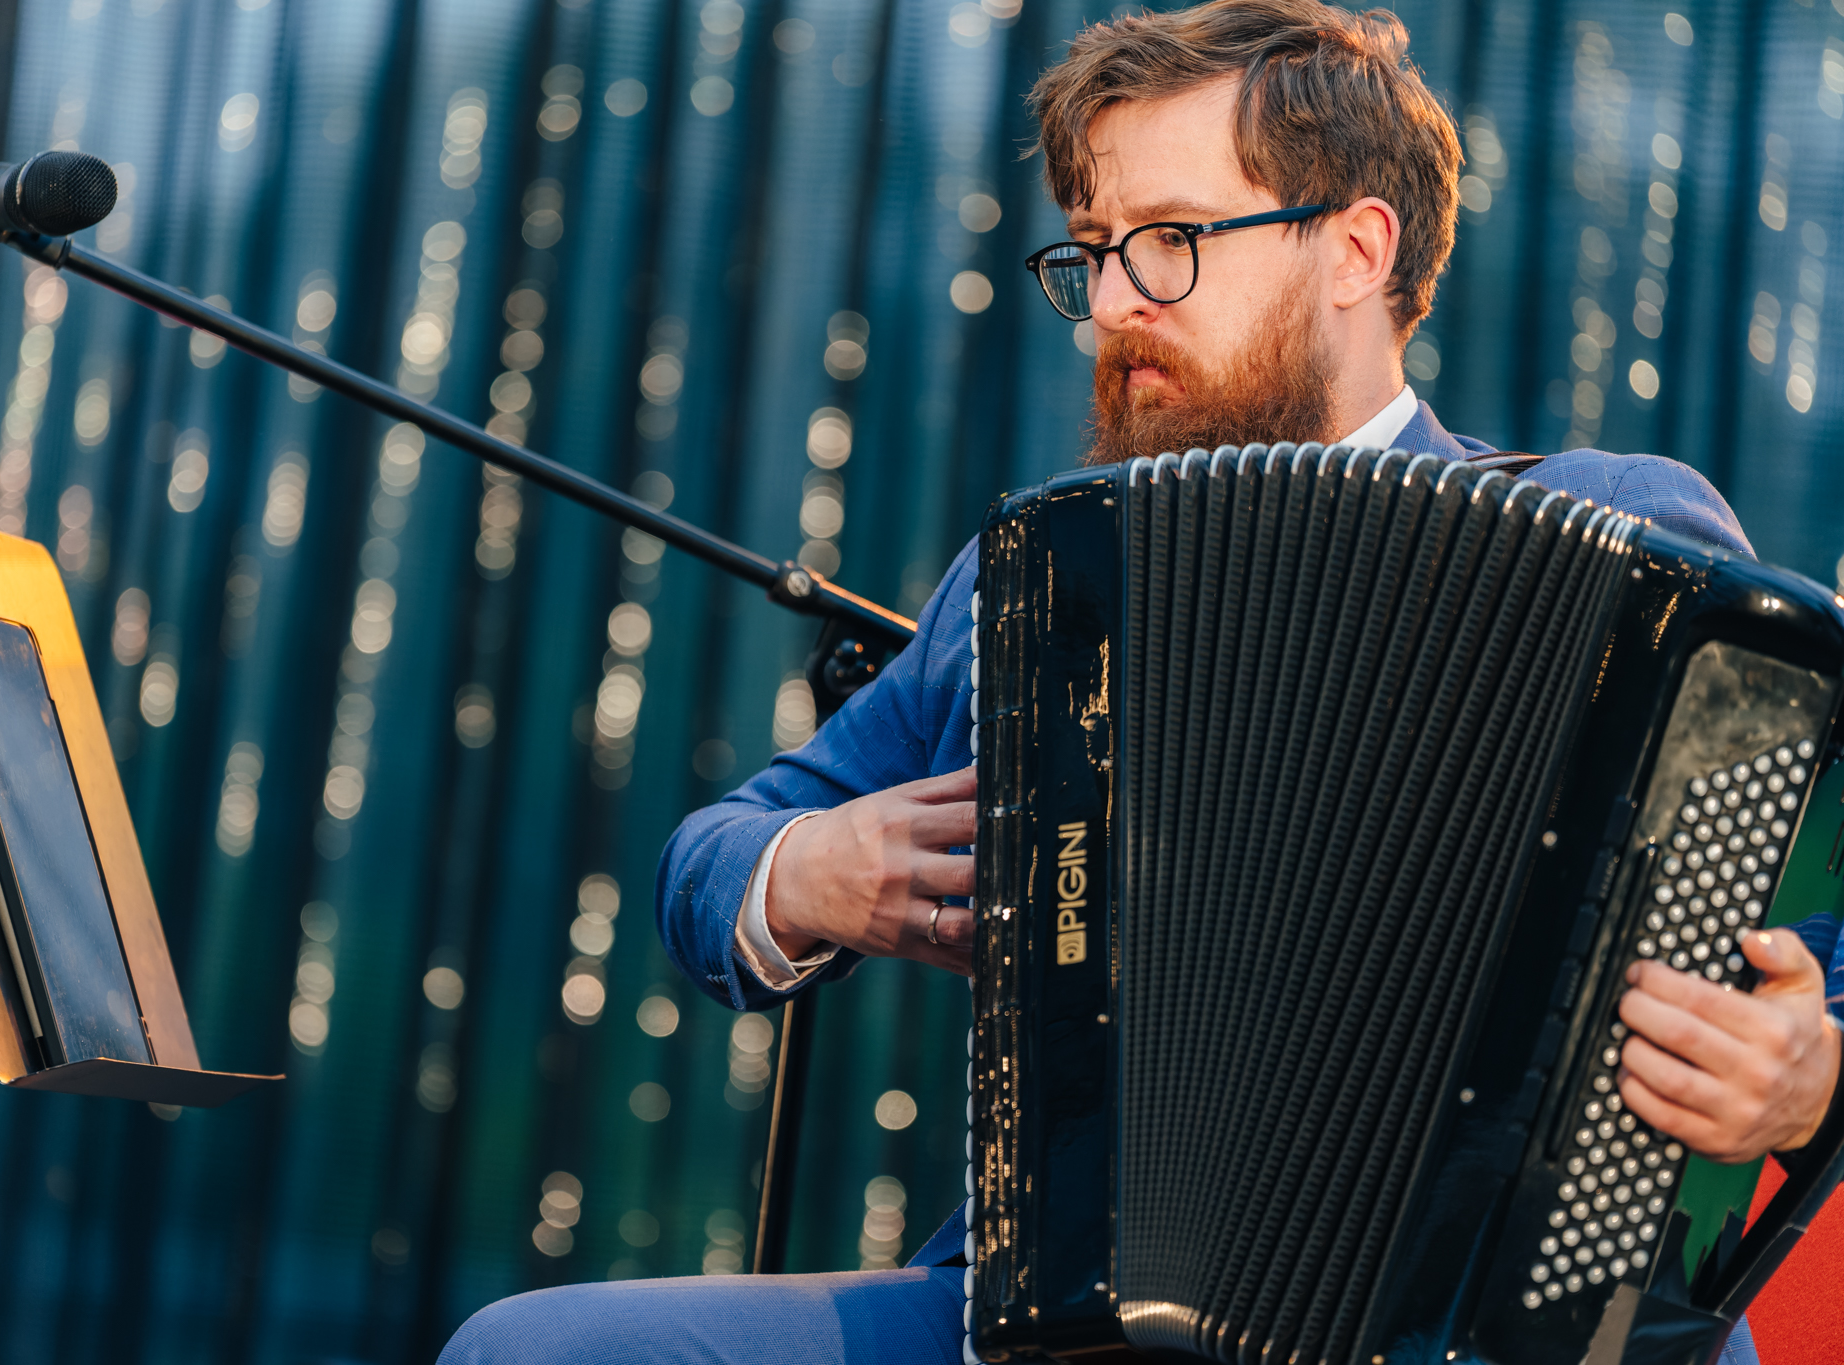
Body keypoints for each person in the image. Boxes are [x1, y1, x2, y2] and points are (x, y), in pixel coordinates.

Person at [441, 4, 1842, 1362]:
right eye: (1095, 253)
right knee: (535, 1352)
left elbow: (1813, 928)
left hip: (1493, 1326)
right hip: (1069, 1311)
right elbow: (712, 858)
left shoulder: (1614, 533)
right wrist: (810, 869)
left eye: (1169, 244)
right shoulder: (1038, 583)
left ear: (1356, 249)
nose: (1110, 306)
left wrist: (1807, 1070)